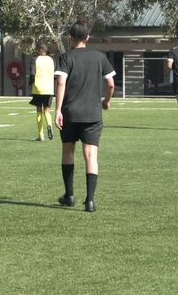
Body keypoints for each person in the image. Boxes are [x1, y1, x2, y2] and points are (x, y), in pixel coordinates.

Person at [53, 21, 115, 213]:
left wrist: (58, 110)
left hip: (70, 112)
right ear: (87, 37)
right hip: (92, 114)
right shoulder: (99, 57)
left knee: (68, 151)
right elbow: (111, 83)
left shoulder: (66, 57)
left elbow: (61, 83)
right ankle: (90, 201)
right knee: (90, 154)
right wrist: (106, 101)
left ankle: (69, 195)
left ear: (70, 38)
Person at [28, 43, 55, 141]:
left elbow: (32, 73)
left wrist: (30, 83)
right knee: (47, 110)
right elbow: (55, 75)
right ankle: (49, 125)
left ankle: (41, 135)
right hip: (49, 89)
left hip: (38, 88)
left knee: (39, 110)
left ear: (39, 50)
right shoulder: (51, 60)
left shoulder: (35, 59)